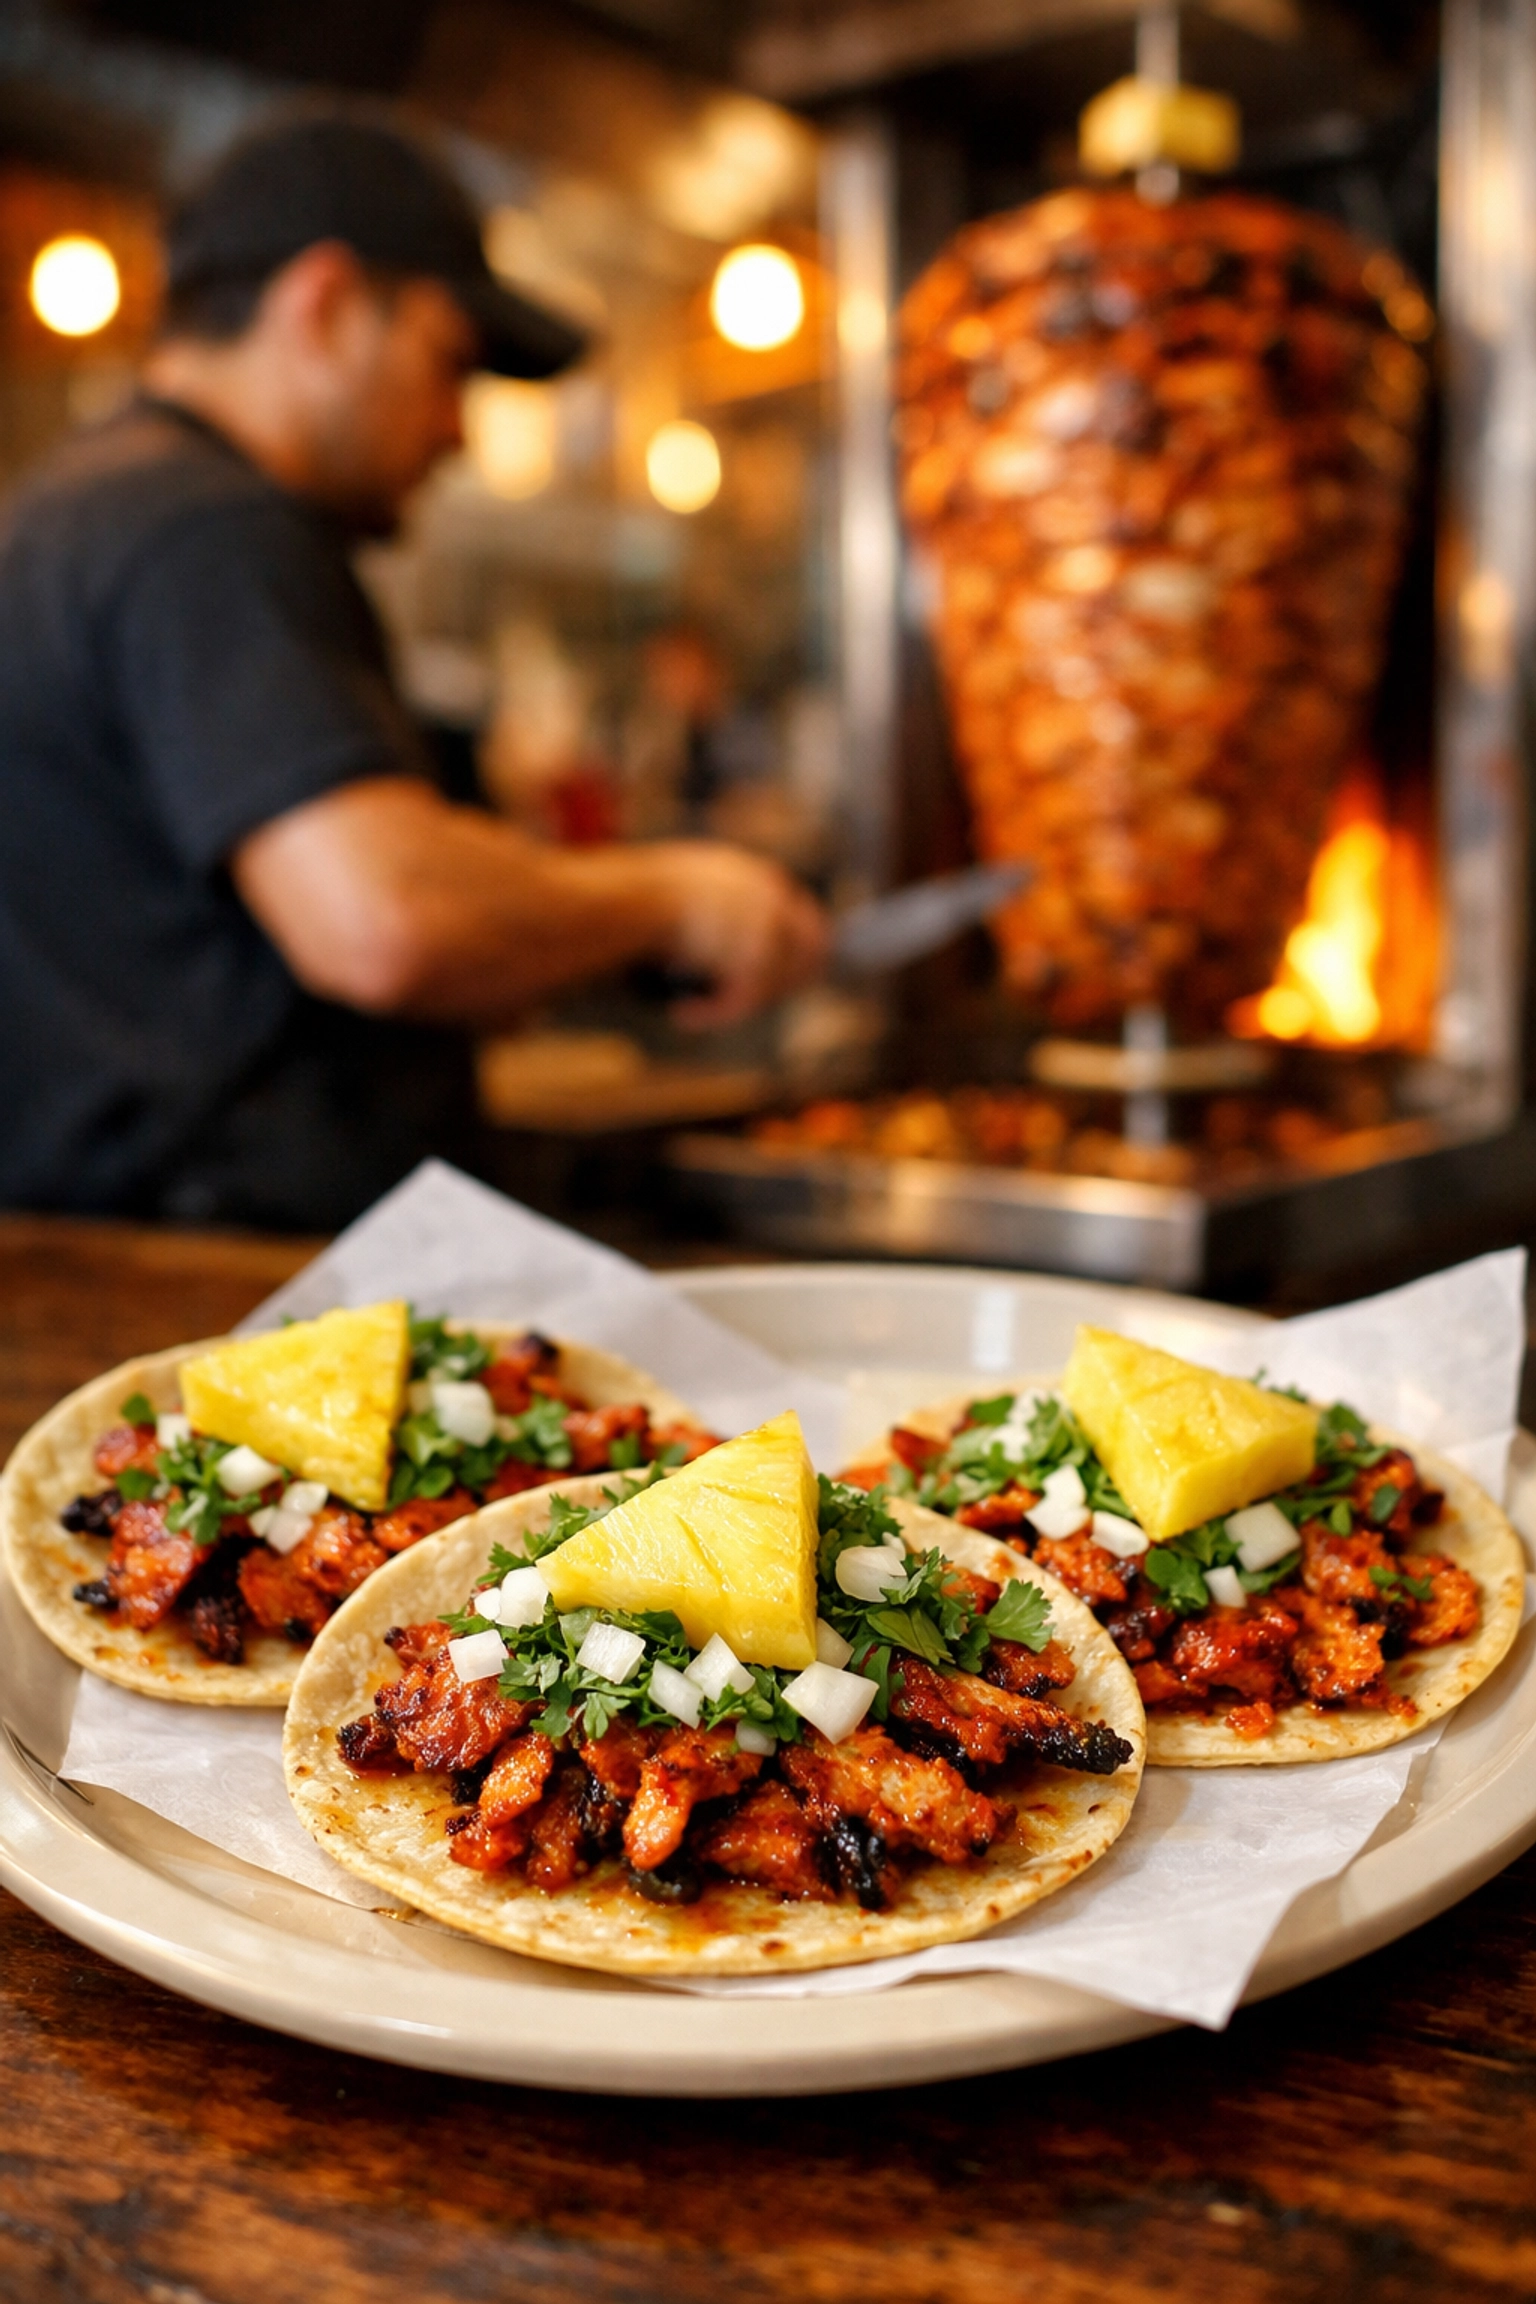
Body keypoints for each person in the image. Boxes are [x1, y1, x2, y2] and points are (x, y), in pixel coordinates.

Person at [0, 111, 827, 1229]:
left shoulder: (79, 507)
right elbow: (381, 921)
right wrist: (680, 896)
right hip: (239, 1295)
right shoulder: (206, 524)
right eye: (450, 364)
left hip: (129, 1256)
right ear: (327, 306)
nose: (458, 432)